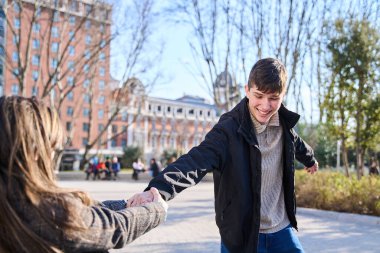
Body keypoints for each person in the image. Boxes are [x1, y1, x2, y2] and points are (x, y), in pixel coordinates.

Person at [128, 58, 318, 253]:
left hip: (281, 229)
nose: (265, 105)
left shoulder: (284, 125)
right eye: (258, 96)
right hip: (242, 234)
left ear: (282, 95)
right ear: (247, 90)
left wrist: (310, 159)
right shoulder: (228, 130)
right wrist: (158, 189)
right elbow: (194, 162)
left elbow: (297, 143)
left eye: (273, 98)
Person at [0, 96, 168, 253]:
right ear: (35, 151)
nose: (52, 155)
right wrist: (156, 210)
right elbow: (111, 228)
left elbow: (86, 214)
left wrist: (126, 205)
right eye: (52, 148)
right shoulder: (40, 207)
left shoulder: (10, 196)